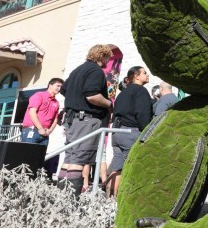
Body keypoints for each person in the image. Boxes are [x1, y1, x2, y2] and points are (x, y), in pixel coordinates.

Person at [58, 44, 113, 195]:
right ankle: (70, 202)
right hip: (86, 120)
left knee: (69, 159)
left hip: (72, 119)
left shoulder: (78, 69)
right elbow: (92, 95)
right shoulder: (96, 71)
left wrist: (75, 99)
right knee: (79, 159)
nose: (108, 62)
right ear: (102, 57)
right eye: (107, 58)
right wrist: (109, 104)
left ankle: (59, 199)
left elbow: (64, 90)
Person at [108, 66, 153, 197]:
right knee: (133, 168)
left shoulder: (123, 93)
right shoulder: (140, 91)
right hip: (130, 133)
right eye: (145, 73)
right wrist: (146, 131)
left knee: (117, 167)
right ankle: (126, 200)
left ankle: (110, 201)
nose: (147, 75)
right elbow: (143, 114)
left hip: (117, 132)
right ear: (136, 76)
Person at [21, 78, 63, 145]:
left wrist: (50, 131)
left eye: (61, 87)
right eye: (58, 86)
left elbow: (55, 119)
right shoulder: (39, 95)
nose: (59, 88)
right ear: (50, 85)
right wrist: (40, 128)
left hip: (45, 133)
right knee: (27, 154)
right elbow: (32, 112)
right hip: (32, 130)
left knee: (40, 155)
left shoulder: (56, 103)